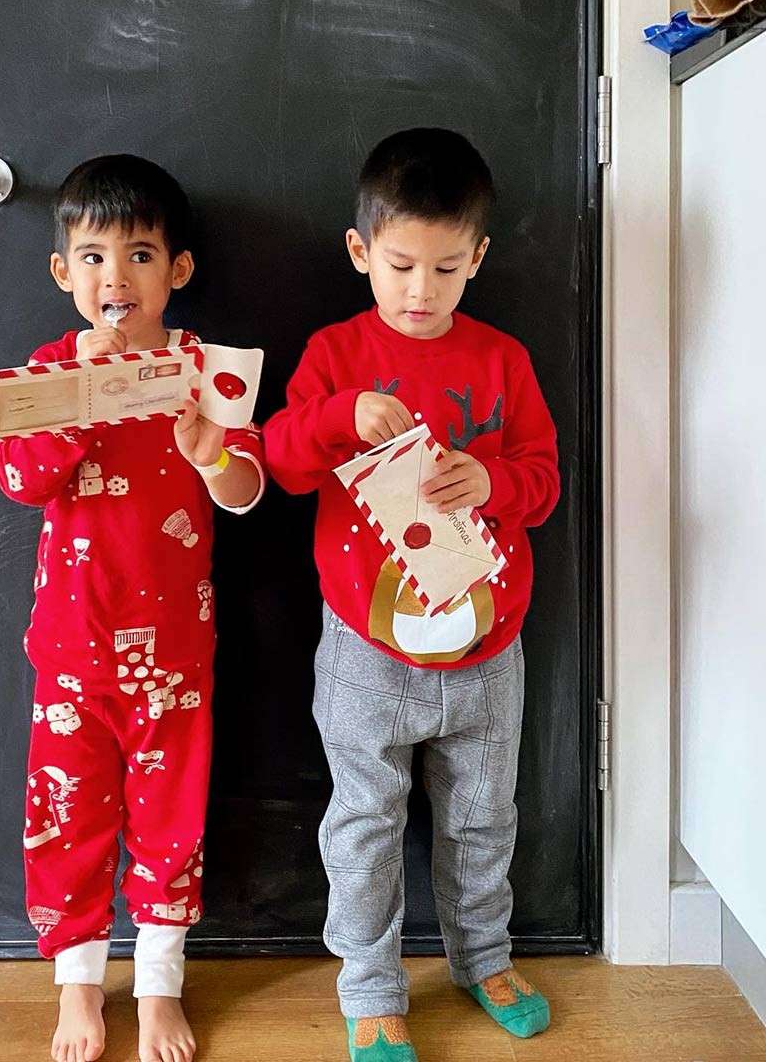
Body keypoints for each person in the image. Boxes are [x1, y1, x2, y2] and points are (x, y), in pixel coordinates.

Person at [265, 128, 559, 1060]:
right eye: (399, 266)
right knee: (363, 827)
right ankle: (371, 986)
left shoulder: (503, 360)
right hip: (365, 653)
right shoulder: (335, 354)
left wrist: (495, 483)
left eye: (443, 267)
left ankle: (484, 957)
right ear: (361, 254)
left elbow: (546, 480)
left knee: (484, 819)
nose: (420, 291)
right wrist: (335, 416)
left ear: (477, 257)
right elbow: (276, 460)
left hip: (488, 651)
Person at [0, 154, 264, 1062]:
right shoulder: (44, 369)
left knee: (169, 814)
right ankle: (77, 982)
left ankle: (157, 982)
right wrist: (79, 391)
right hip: (71, 651)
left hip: (176, 657)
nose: (119, 277)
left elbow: (245, 491)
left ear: (176, 271)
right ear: (65, 273)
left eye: (141, 254)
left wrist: (209, 451)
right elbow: (23, 479)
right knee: (67, 814)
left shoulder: (201, 369)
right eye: (96, 256)